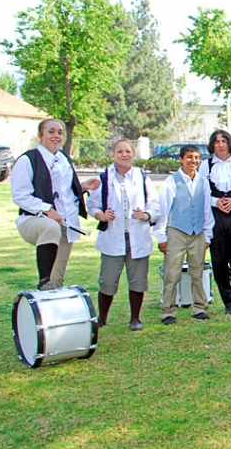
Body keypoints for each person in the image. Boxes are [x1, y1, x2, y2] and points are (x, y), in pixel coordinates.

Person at [11, 118, 100, 290]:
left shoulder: (64, 159)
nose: (56, 136)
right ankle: (43, 279)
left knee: (56, 281)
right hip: (34, 220)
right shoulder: (28, 160)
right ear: (40, 134)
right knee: (50, 227)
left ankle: (49, 304)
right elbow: (20, 196)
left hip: (66, 223)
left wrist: (81, 187)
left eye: (60, 132)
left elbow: (62, 191)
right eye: (51, 131)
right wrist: (47, 209)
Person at [88, 139, 159, 331]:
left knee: (137, 279)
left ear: (133, 155)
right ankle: (102, 317)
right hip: (113, 236)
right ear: (113, 154)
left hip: (137, 235)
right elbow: (92, 204)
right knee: (108, 279)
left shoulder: (142, 178)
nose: (124, 154)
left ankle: (135, 318)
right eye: (120, 151)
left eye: (128, 151)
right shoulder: (104, 178)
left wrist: (146, 215)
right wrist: (100, 215)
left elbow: (155, 205)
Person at [155, 145, 214, 325]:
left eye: (196, 157)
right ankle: (168, 311)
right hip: (177, 231)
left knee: (197, 272)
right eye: (189, 157)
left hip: (198, 232)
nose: (193, 161)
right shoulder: (171, 182)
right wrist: (161, 236)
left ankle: (199, 307)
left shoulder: (203, 182)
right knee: (172, 273)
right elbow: (163, 209)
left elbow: (206, 210)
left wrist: (207, 234)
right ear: (181, 159)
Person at [198, 130, 231, 315]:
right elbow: (202, 193)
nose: (220, 144)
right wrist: (217, 203)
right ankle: (228, 300)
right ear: (212, 145)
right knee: (219, 258)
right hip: (215, 215)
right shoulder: (206, 166)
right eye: (217, 141)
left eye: (223, 141)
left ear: (229, 143)